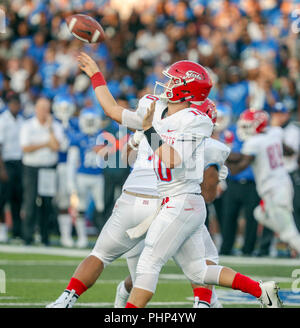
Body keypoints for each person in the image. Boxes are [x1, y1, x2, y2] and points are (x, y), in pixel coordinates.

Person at [47, 54, 282, 309]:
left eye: (173, 81)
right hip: (167, 199)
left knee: (150, 262)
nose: (166, 84)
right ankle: (261, 291)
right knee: (198, 271)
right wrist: (96, 76)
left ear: (186, 89)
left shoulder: (196, 121)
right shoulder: (155, 106)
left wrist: (147, 131)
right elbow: (114, 111)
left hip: (182, 201)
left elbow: (171, 159)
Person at [227, 108, 300, 255]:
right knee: (259, 213)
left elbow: (238, 168)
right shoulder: (275, 132)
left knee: (289, 232)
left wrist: (222, 159)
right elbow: (287, 150)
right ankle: (284, 232)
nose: (244, 129)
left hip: (274, 189)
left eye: (248, 125)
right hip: (282, 184)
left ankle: (289, 238)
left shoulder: (255, 142)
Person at [20, 97, 64, 246]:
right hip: (31, 168)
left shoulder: (55, 126)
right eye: (41, 109)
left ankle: (45, 237)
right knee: (30, 201)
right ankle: (27, 236)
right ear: (36, 109)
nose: (44, 112)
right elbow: (26, 148)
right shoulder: (28, 125)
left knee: (46, 203)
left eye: (46, 109)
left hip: (48, 167)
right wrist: (46, 144)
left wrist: (50, 128)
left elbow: (57, 146)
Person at [66, 107, 105, 248]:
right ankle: (82, 238)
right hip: (82, 175)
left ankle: (103, 239)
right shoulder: (78, 138)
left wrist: (105, 151)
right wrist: (71, 182)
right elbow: (72, 161)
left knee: (101, 206)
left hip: (98, 176)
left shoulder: (103, 136)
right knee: (80, 207)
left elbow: (110, 157)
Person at [52, 94, 77, 247]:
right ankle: (63, 234)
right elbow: (61, 146)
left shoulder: (74, 124)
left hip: (73, 166)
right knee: (59, 200)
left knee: (73, 201)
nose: (64, 111)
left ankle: (70, 234)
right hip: (58, 165)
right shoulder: (53, 124)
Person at [0, 93, 24, 242]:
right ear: (9, 105)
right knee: (3, 198)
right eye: (13, 104)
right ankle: (2, 229)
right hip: (6, 162)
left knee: (17, 198)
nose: (15, 107)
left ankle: (17, 231)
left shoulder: (21, 120)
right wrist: (1, 169)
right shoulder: (3, 120)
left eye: (17, 104)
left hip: (20, 163)